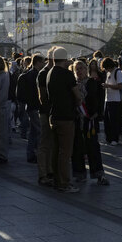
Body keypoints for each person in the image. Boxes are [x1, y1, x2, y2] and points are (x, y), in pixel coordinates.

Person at [46, 47, 79, 193]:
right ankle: (64, 183)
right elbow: (77, 95)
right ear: (65, 59)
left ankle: (56, 180)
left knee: (56, 150)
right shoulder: (67, 74)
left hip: (53, 115)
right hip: (66, 116)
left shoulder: (49, 73)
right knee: (65, 152)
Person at [72, 58, 108, 185]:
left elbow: (98, 98)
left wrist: (97, 113)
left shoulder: (92, 82)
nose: (79, 71)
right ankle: (79, 173)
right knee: (77, 147)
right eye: (77, 69)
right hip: (77, 119)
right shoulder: (73, 84)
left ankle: (99, 173)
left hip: (90, 119)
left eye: (81, 68)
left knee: (93, 146)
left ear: (86, 69)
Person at [18, 54, 45, 164]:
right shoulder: (36, 75)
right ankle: (39, 154)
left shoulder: (28, 74)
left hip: (30, 106)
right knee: (39, 131)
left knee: (34, 132)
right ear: (38, 62)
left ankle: (31, 154)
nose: (44, 64)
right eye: (42, 62)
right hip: (35, 106)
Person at [37, 48, 57, 185]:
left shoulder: (51, 72)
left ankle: (50, 170)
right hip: (46, 112)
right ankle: (43, 173)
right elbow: (42, 96)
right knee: (45, 143)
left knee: (51, 143)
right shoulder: (44, 73)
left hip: (52, 112)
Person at [102, 57, 122, 145]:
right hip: (108, 99)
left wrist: (108, 86)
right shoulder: (108, 73)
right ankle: (108, 137)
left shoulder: (118, 72)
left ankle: (114, 138)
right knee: (107, 120)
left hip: (115, 100)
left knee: (114, 121)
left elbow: (120, 86)